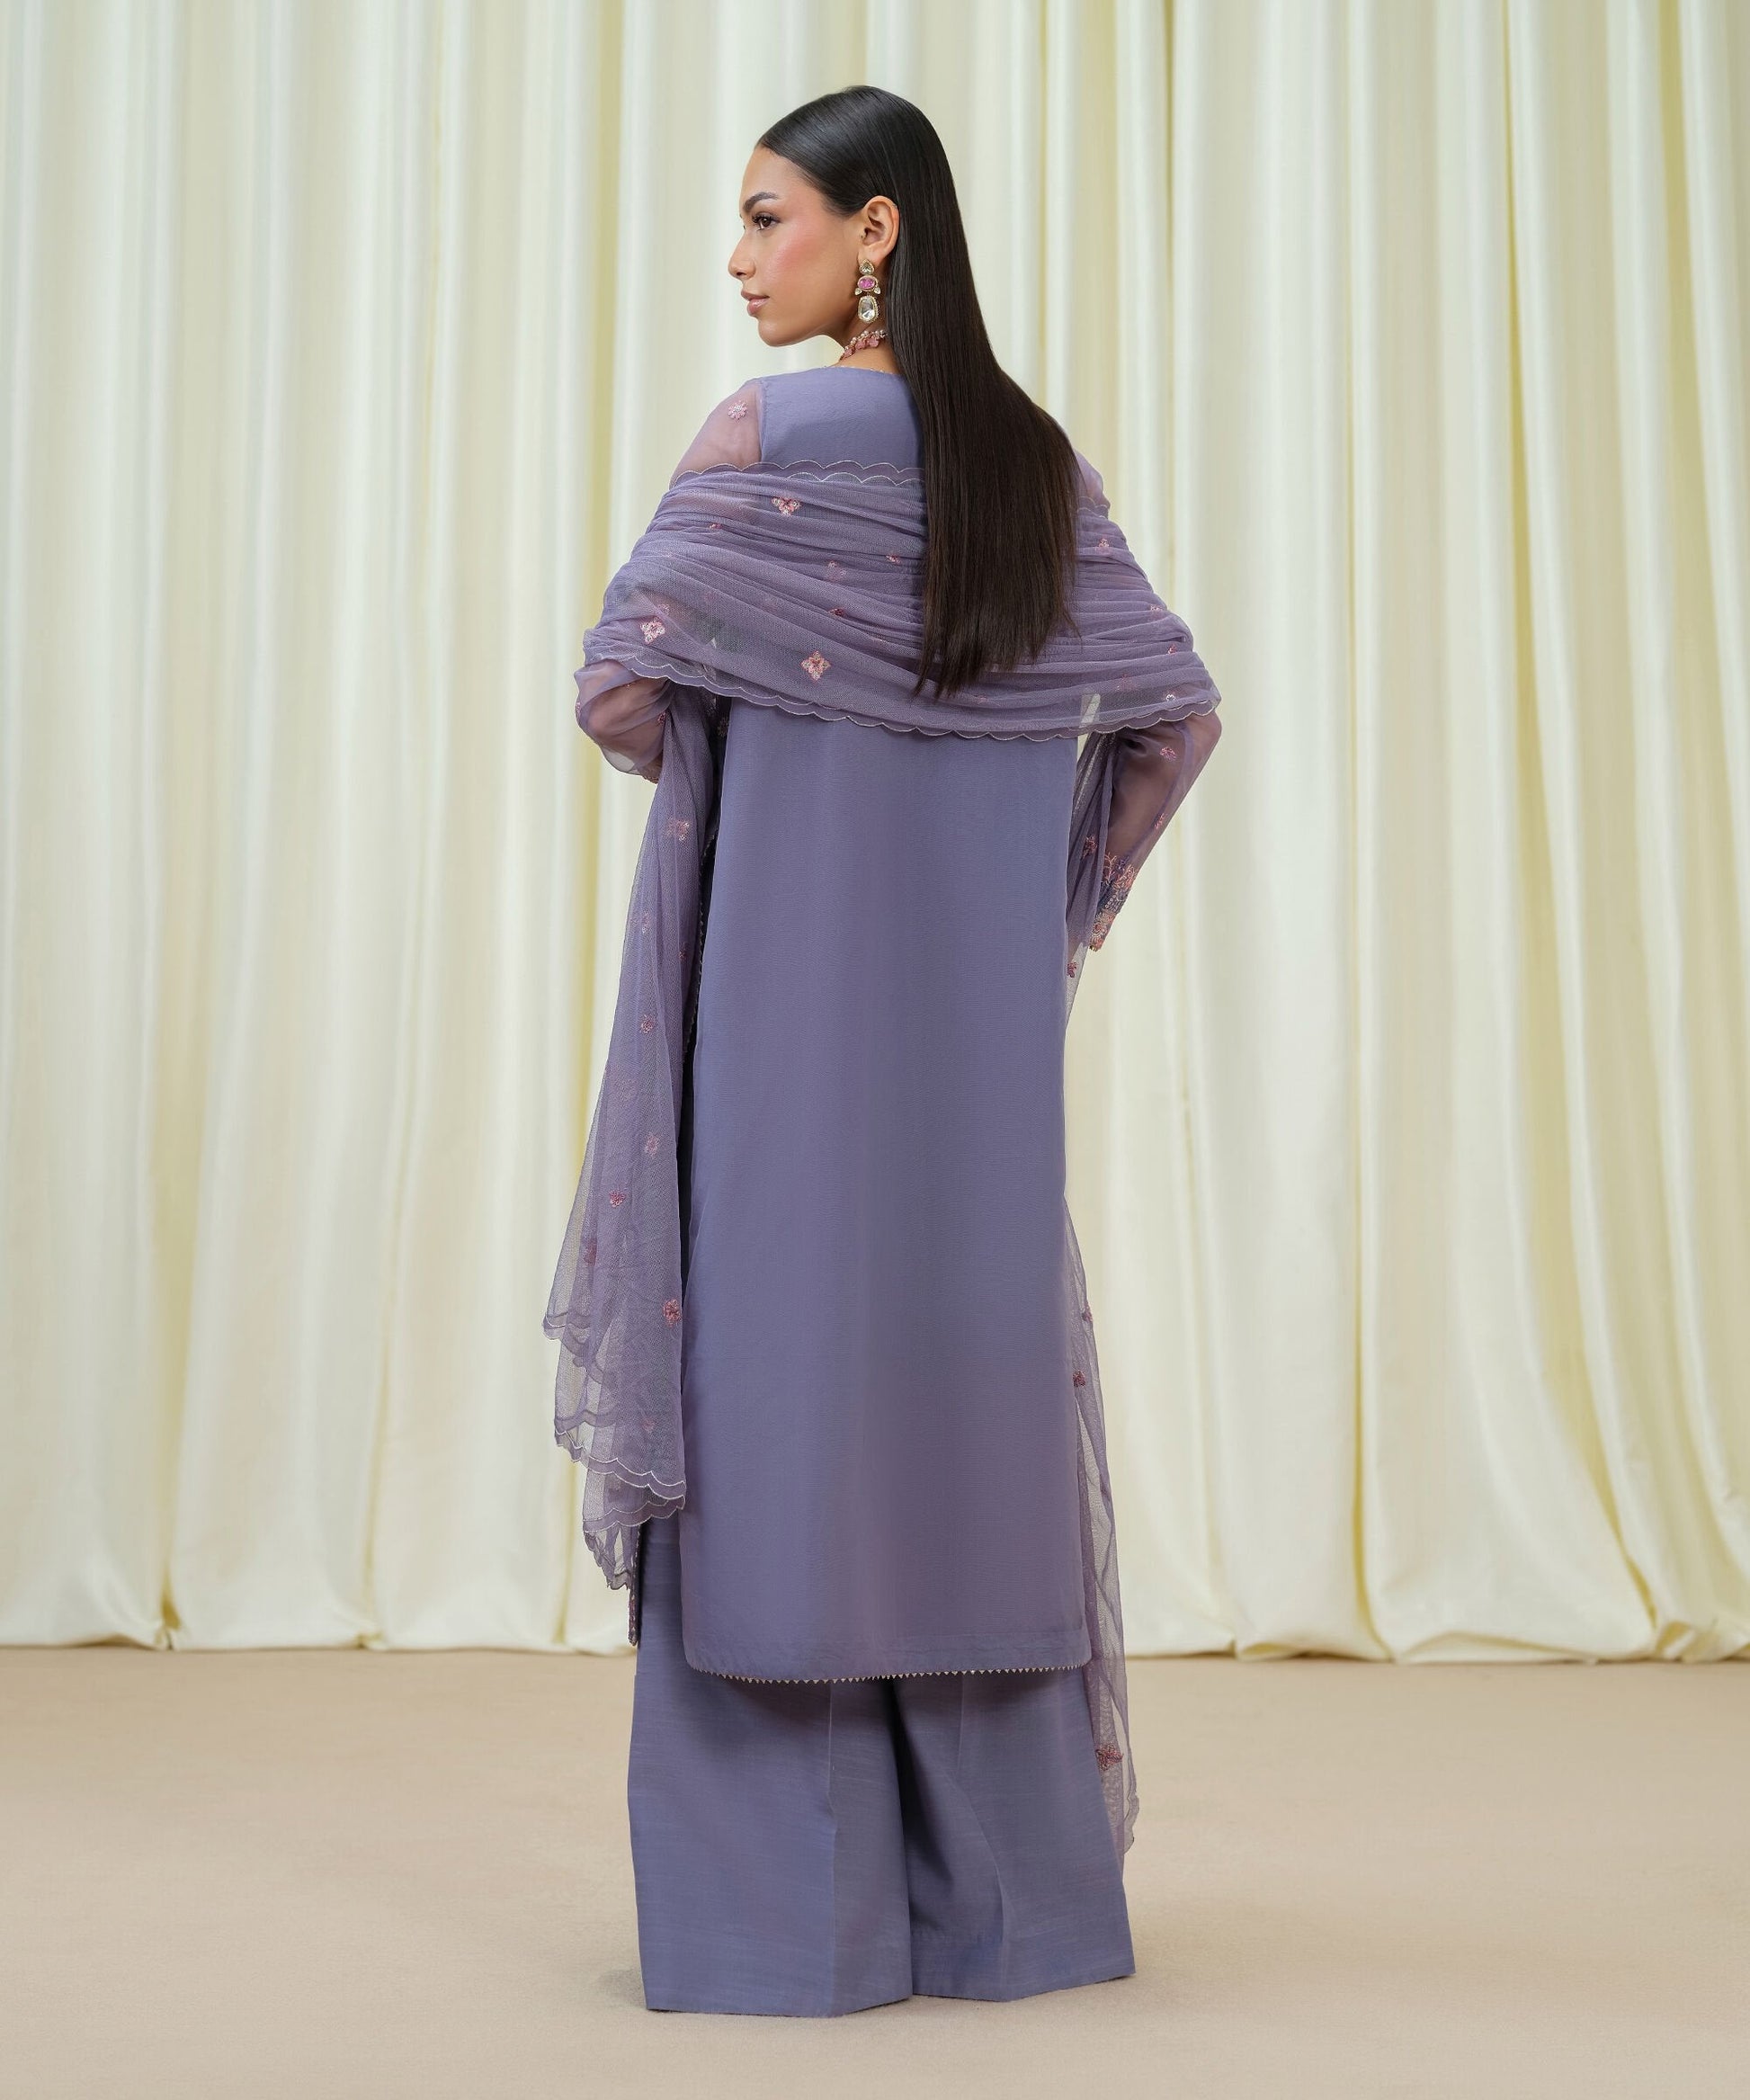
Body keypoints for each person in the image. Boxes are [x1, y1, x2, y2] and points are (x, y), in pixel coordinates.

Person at [546, 85, 1222, 2018]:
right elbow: (1169, 716)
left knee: (775, 1395)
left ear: (876, 231)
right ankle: (1018, 1923)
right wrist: (1049, 905)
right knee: (962, 1399)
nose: (739, 257)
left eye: (769, 216)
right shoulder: (1035, 470)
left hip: (781, 1006)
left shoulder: (764, 441)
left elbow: (616, 692)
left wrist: (776, 755)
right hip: (977, 1043)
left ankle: (792, 1931)